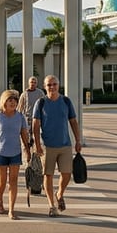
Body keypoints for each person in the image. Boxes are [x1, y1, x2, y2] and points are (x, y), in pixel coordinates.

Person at [30, 75, 81, 218]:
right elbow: (35, 125)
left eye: (54, 84)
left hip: (65, 144)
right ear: (44, 87)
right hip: (47, 146)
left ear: (59, 85)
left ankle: (60, 194)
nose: (52, 87)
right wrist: (38, 145)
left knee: (66, 173)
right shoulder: (41, 103)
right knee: (48, 175)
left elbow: (73, 121)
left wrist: (78, 140)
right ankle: (51, 205)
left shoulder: (66, 101)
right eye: (49, 85)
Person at [0, 89, 32, 220]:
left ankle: (11, 209)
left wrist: (28, 152)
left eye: (15, 101)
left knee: (14, 181)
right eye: (10, 100)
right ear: (4, 102)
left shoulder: (20, 117)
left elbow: (24, 136)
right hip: (0, 152)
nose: (13, 103)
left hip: (15, 152)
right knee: (2, 181)